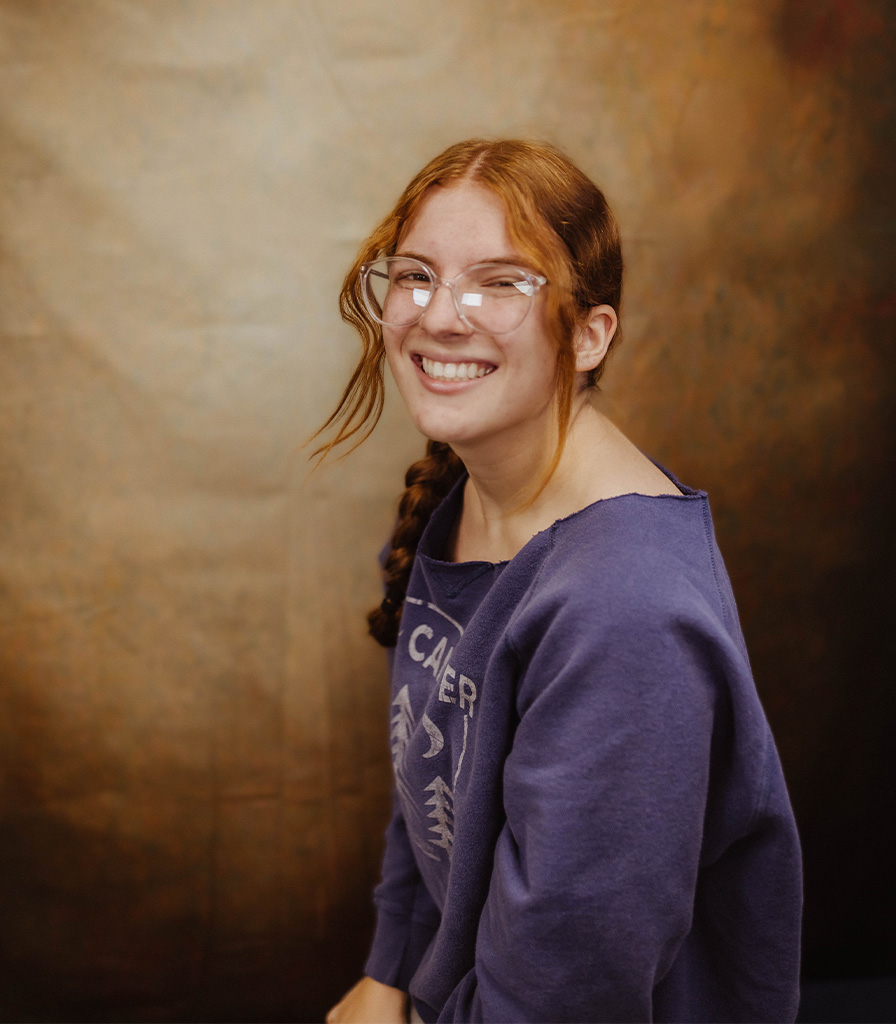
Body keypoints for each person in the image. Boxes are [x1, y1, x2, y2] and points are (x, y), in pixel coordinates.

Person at [315, 139, 802, 1023]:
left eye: (502, 281)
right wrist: (390, 971)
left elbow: (565, 994)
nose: (440, 314)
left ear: (588, 334)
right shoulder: (469, 492)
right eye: (416, 273)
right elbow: (434, 761)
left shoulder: (624, 609)